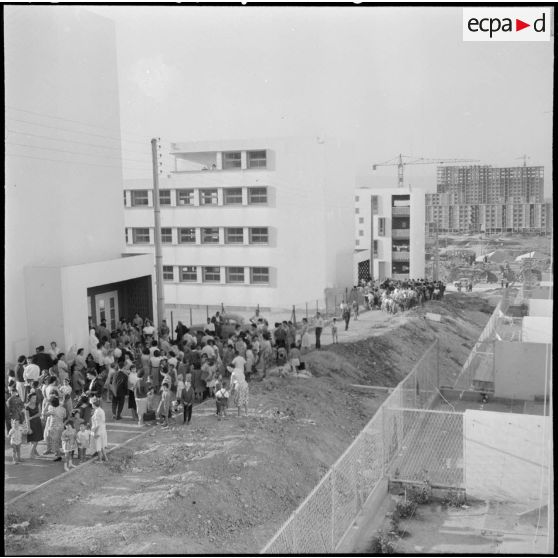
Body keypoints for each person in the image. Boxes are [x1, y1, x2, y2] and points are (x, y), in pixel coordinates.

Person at [25, 392, 43, 457]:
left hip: (37, 423)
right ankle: (33, 453)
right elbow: (27, 419)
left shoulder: (38, 403)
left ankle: (32, 453)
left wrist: (32, 417)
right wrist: (28, 428)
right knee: (33, 440)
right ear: (29, 399)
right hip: (31, 424)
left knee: (36, 439)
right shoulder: (27, 407)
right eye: (33, 398)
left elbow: (40, 413)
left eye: (35, 398)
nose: (35, 399)